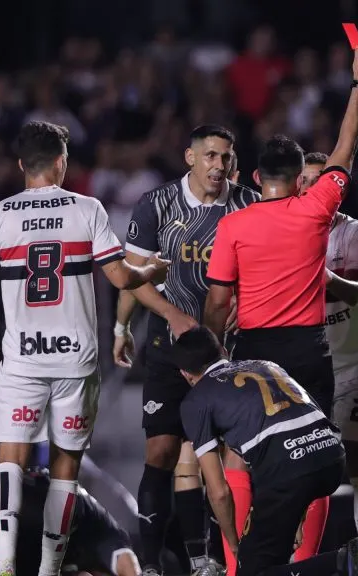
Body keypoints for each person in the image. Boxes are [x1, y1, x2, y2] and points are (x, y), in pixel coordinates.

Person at [0, 121, 168, 576]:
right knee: (65, 471)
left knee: (10, 463)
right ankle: (50, 568)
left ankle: (6, 563)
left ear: (20, 166)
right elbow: (121, 278)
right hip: (75, 360)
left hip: (23, 359)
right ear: (60, 162)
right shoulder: (86, 209)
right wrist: (153, 271)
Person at [202, 48, 358, 570]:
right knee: (314, 456)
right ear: (301, 179)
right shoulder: (315, 210)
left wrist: (213, 362)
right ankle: (304, 564)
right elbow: (346, 149)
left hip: (253, 352)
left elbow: (217, 304)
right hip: (307, 351)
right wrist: (357, 85)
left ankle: (236, 567)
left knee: (239, 456)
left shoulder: (232, 225)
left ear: (256, 178)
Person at [112, 124, 259, 575]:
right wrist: (126, 325)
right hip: (167, 344)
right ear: (190, 158)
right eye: (211, 156)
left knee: (219, 457)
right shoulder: (156, 204)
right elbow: (133, 276)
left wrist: (247, 301)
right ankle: (152, 563)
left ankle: (209, 561)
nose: (219, 166)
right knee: (160, 451)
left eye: (227, 158)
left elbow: (261, 264)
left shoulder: (247, 204)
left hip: (226, 349)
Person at [172, 327, 358, 576]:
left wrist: (235, 547)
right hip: (332, 456)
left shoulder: (195, 401)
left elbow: (219, 492)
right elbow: (300, 426)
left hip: (289, 472)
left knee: (250, 572)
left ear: (186, 374)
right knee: (274, 565)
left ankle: (343, 561)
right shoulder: (265, 365)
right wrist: (294, 515)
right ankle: (343, 562)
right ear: (223, 351)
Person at [291, 152, 358, 574]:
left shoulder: (356, 233)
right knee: (310, 466)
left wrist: (313, 272)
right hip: (309, 366)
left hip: (356, 365)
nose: (311, 187)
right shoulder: (288, 229)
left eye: (319, 180)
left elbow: (353, 291)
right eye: (304, 180)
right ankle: (305, 564)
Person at [0, 467, 142, 576]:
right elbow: (129, 568)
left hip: (3, 497)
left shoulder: (96, 540)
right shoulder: (113, 539)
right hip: (44, 509)